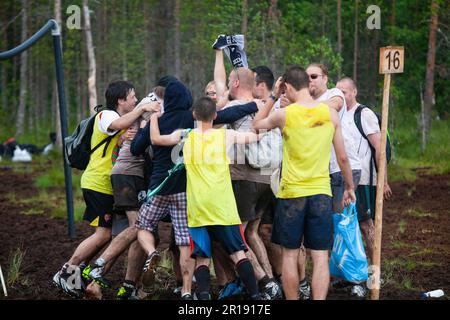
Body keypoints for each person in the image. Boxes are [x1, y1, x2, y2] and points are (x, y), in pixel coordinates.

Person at [135, 78, 260, 300]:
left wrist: (154, 117)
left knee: (202, 256)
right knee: (238, 253)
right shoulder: (226, 136)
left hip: (198, 209)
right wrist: (261, 111)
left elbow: (155, 139)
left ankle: (202, 297)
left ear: (194, 115)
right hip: (224, 208)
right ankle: (256, 297)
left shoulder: (186, 137)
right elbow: (255, 135)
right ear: (214, 116)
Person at [252, 66, 356, 300]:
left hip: (291, 195)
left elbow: (255, 125)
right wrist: (349, 187)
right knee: (320, 256)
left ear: (287, 87)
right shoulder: (329, 114)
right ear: (307, 84)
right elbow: (342, 157)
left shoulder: (284, 114)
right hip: (321, 192)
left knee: (290, 254)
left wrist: (272, 97)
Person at [52, 80, 158, 298]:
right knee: (102, 235)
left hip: (109, 184)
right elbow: (118, 126)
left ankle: (79, 276)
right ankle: (66, 271)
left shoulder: (121, 121)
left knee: (111, 235)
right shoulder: (106, 116)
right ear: (120, 100)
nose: (136, 100)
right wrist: (142, 109)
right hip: (98, 182)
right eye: (132, 97)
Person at [82, 87, 165, 300]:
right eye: (132, 97)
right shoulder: (112, 115)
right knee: (125, 231)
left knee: (131, 233)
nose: (136, 100)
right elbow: (137, 142)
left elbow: (123, 140)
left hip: (122, 180)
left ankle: (119, 286)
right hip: (116, 180)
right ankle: (74, 272)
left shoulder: (134, 116)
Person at [213, 48, 282, 300]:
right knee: (252, 233)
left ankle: (264, 284)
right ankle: (272, 280)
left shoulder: (235, 104)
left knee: (236, 236)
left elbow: (212, 118)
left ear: (235, 83)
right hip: (267, 178)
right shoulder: (266, 105)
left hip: (244, 177)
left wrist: (218, 56)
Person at [336, 77, 392, 295]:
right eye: (338, 92)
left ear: (354, 92)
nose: (342, 95)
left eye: (345, 92)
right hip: (342, 178)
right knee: (345, 226)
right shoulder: (337, 113)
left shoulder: (364, 114)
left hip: (365, 179)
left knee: (365, 226)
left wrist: (383, 180)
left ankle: (375, 274)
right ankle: (352, 275)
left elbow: (379, 148)